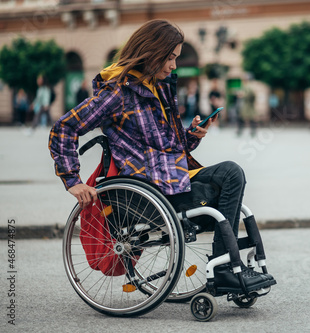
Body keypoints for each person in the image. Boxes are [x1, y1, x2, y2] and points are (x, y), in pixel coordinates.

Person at [48, 19, 272, 291]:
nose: (174, 65)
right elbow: (65, 126)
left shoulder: (157, 89)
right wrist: (73, 180)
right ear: (152, 52)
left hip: (170, 178)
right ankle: (226, 269)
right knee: (226, 179)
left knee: (231, 171)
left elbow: (167, 148)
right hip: (150, 188)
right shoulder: (117, 93)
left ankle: (224, 265)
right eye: (170, 57)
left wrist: (191, 135)